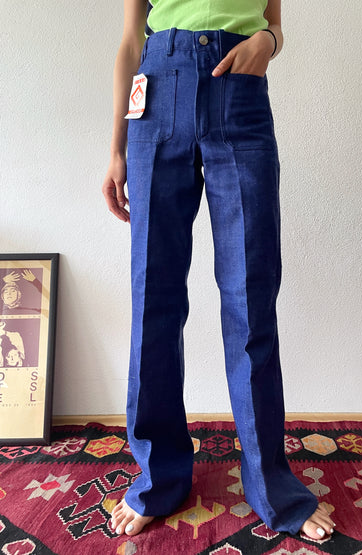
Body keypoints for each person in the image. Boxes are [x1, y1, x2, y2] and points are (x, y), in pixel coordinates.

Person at [102, 0, 336, 541]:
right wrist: (115, 147)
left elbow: (274, 25)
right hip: (157, 94)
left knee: (251, 295)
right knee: (153, 297)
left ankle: (272, 487)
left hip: (241, 96)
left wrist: (267, 44)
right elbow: (131, 40)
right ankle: (158, 478)